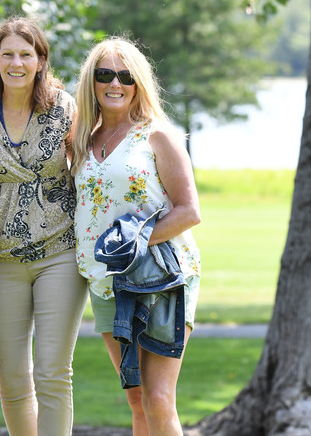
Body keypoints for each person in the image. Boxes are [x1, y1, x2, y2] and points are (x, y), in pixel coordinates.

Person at [0, 16, 89, 436]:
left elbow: (93, 164)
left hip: (60, 252)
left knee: (53, 372)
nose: (16, 62)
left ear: (40, 60)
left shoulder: (64, 108)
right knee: (13, 380)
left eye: (26, 54)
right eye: (8, 54)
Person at [70, 36, 202, 436]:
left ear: (138, 82)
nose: (115, 84)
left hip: (161, 278)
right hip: (106, 282)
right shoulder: (81, 140)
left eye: (125, 76)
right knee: (137, 399)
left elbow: (189, 211)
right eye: (105, 74)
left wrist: (137, 243)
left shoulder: (157, 135)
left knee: (158, 400)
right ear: (91, 82)